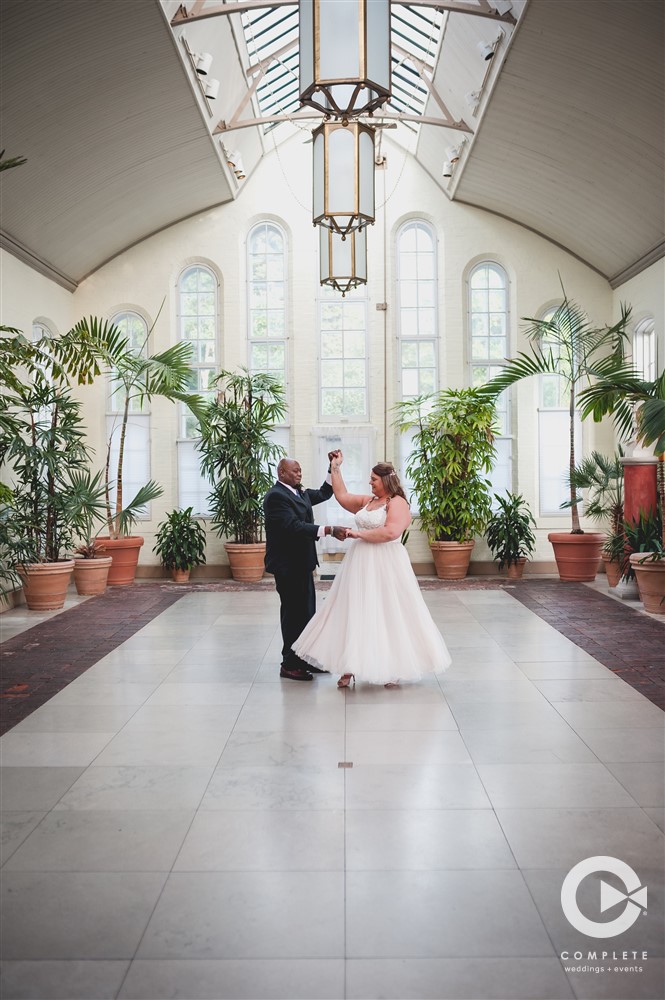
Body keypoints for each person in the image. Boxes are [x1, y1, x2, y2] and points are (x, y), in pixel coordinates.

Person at [293, 454, 452, 688]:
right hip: (360, 563)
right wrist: (335, 468)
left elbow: (390, 532)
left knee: (388, 611)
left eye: (374, 479)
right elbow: (342, 496)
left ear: (386, 481)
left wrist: (358, 534)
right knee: (355, 610)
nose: (370, 483)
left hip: (386, 563)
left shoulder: (396, 502)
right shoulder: (369, 501)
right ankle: (350, 664)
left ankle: (393, 666)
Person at [264, 455, 347, 681]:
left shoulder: (299, 492)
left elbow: (324, 493)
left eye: (300, 470)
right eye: (295, 471)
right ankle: (289, 664)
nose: (299, 474)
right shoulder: (275, 497)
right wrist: (329, 530)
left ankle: (306, 658)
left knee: (307, 614)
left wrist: (332, 468)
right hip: (287, 566)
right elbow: (293, 526)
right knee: (293, 615)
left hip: (302, 563)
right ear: (282, 473)